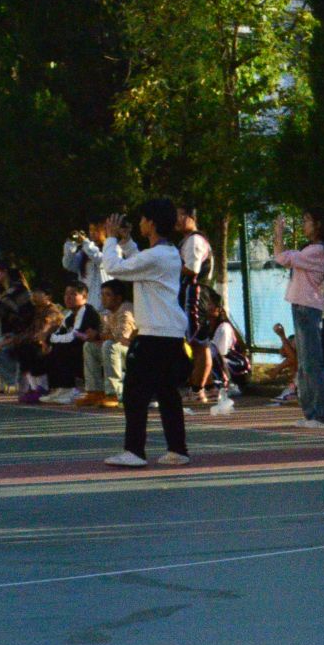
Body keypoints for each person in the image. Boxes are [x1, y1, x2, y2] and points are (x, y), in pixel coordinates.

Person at [101, 198, 191, 468]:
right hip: (170, 333)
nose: (139, 223)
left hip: (154, 335)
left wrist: (110, 239)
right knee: (167, 394)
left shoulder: (156, 256)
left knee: (134, 393)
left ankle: (135, 451)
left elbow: (114, 268)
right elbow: (138, 261)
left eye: (142, 219)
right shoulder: (167, 253)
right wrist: (127, 242)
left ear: (151, 223)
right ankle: (177, 449)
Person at [272, 209, 324, 429]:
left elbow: (283, 257)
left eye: (307, 220)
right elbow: (284, 257)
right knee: (305, 364)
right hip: (300, 306)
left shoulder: (319, 250)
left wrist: (279, 234)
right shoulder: (310, 249)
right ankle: (311, 413)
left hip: (308, 308)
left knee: (313, 362)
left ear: (318, 225)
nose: (304, 224)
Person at [0, 260, 35, 394]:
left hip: (21, 331)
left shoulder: (18, 288)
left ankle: (22, 381)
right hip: (7, 331)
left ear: (4, 272)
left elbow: (3, 309)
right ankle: (15, 380)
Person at [79, 281, 134, 410]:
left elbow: (122, 336)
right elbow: (104, 334)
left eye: (107, 295)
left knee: (110, 345)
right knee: (89, 346)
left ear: (118, 298)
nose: (103, 298)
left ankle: (114, 394)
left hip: (134, 354)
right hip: (120, 352)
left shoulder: (126, 310)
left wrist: (98, 336)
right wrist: (94, 337)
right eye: (102, 294)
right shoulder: (109, 313)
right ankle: (95, 392)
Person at [41, 281, 95, 403]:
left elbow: (73, 337)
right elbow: (59, 333)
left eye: (73, 294)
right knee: (51, 349)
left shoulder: (88, 312)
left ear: (84, 297)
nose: (68, 298)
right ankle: (59, 389)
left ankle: (70, 390)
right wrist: (48, 341)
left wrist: (52, 339)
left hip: (89, 351)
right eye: (66, 294)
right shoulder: (69, 315)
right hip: (76, 349)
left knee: (62, 348)